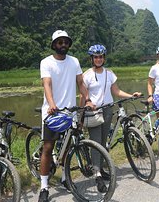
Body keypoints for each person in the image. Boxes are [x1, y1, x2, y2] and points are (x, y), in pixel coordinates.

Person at [38, 30, 93, 202]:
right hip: (53, 113)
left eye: (66, 42)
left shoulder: (74, 61)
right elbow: (47, 84)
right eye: (60, 42)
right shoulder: (46, 62)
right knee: (48, 148)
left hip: (70, 113)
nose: (63, 45)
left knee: (68, 149)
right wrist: (52, 103)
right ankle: (44, 186)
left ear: (69, 44)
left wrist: (88, 99)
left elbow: (80, 83)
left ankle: (65, 179)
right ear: (54, 45)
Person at [79, 44, 141, 190]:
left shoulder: (109, 73)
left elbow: (116, 91)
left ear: (104, 58)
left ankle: (100, 169)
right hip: (93, 112)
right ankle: (98, 175)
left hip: (107, 111)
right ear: (92, 59)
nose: (98, 59)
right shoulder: (86, 75)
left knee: (103, 141)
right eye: (96, 57)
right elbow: (83, 97)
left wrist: (131, 95)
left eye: (101, 57)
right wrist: (81, 115)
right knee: (96, 143)